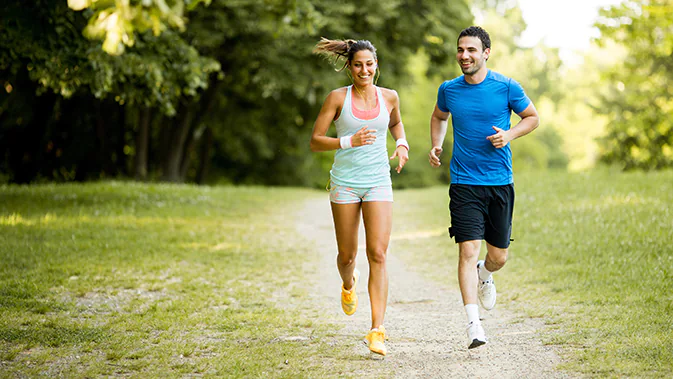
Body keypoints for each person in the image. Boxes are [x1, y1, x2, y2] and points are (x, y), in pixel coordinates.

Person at [428, 26, 540, 349]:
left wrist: (509, 135)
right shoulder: (449, 90)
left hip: (499, 183)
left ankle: (485, 274)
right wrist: (436, 144)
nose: (464, 56)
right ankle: (473, 325)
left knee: (498, 257)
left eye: (471, 50)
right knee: (467, 249)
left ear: (486, 53)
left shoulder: (505, 87)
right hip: (464, 183)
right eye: (461, 50)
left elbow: (532, 117)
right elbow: (438, 117)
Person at [310, 38, 410, 356]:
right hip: (346, 183)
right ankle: (348, 283)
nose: (364, 70)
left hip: (378, 180)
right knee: (347, 256)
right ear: (350, 67)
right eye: (357, 64)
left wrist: (402, 142)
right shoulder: (337, 98)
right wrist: (348, 141)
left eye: (369, 64)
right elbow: (315, 140)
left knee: (378, 254)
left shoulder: (390, 97)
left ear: (376, 65)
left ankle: (377, 330)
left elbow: (395, 122)